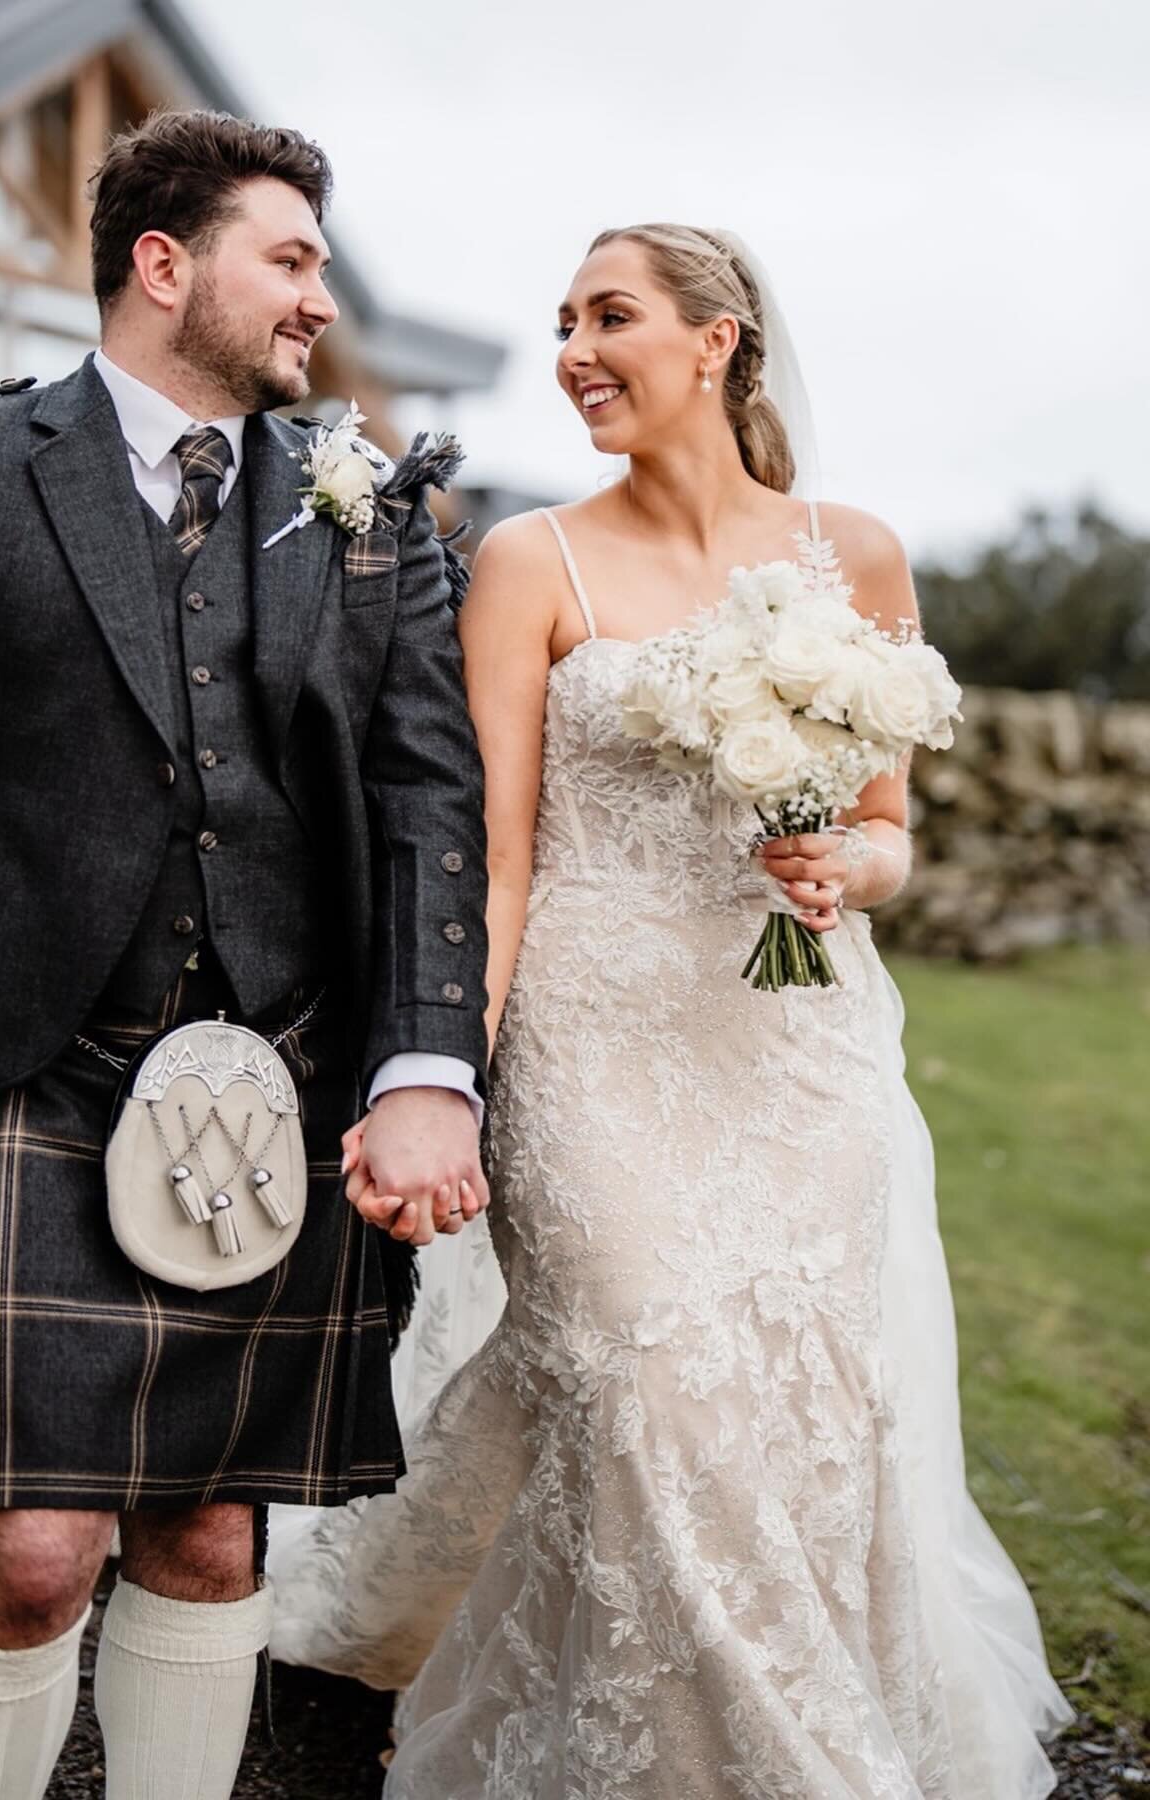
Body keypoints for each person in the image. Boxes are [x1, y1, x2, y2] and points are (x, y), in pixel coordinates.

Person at [0, 108, 490, 1800]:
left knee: (212, 1537)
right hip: (9, 1062)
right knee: (35, 1552)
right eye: (288, 258)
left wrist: (429, 1067)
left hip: (273, 1071)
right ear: (165, 265)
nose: (317, 297)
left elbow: (433, 800)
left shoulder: (371, 511)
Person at [272, 224, 1073, 1796]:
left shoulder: (857, 554)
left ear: (717, 343)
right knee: (643, 1376)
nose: (573, 349)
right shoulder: (529, 561)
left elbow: (895, 834)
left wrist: (849, 856)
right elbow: (490, 854)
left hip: (798, 1052)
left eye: (609, 315)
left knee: (791, 1410)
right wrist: (443, 1071)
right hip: (591, 1043)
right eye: (563, 320)